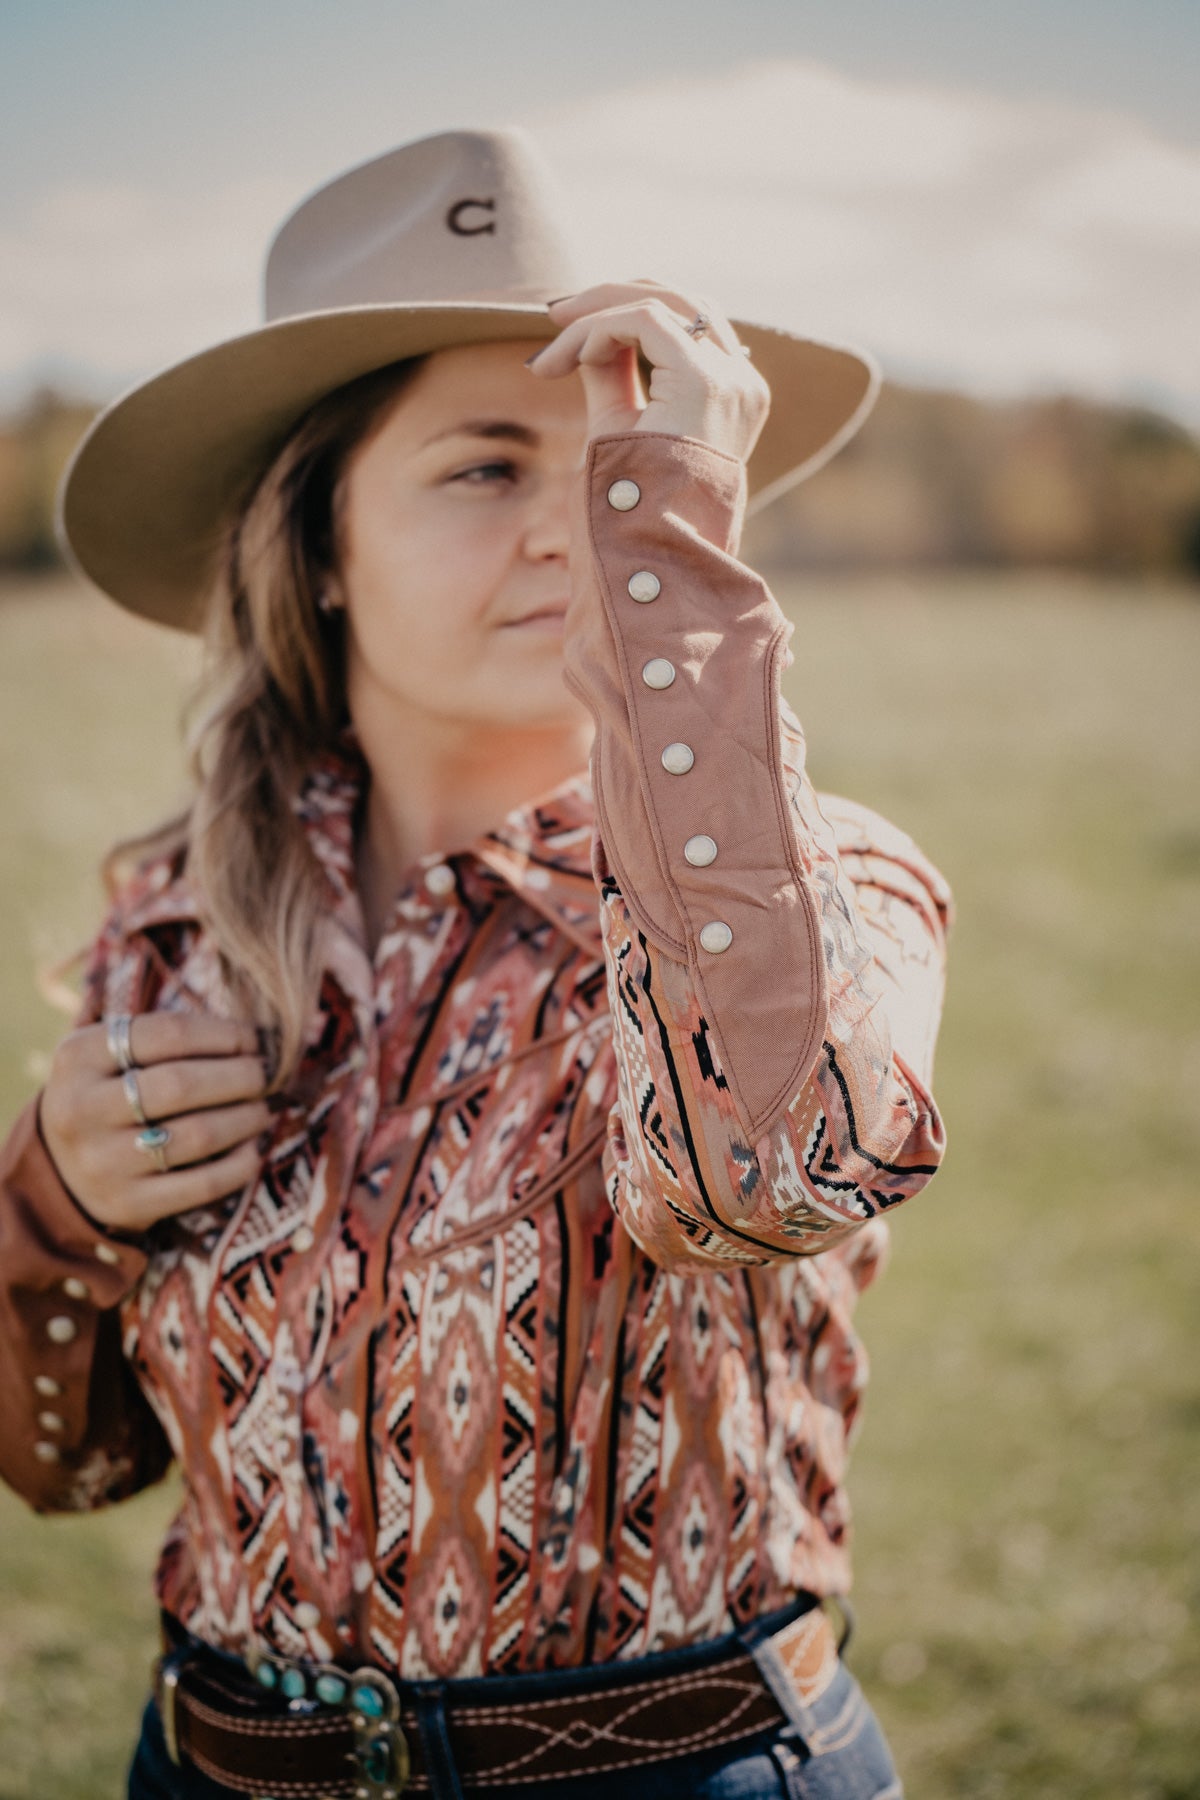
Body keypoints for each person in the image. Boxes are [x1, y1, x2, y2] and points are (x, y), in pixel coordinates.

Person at [0, 128, 952, 1799]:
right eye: (486, 466)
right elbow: (58, 1463)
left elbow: (780, 1175)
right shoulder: (179, 920)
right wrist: (53, 1208)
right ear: (315, 547)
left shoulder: (828, 881)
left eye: (618, 464)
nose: (580, 524)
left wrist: (674, 594)